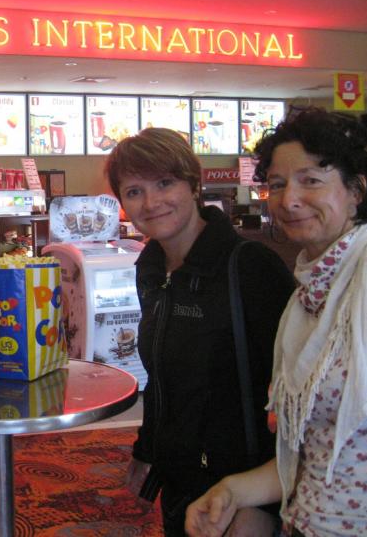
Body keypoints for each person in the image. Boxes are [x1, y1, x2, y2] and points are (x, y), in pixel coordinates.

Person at [185, 107, 367, 537]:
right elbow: (310, 457)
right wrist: (233, 490)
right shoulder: (307, 299)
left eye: (311, 180)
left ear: (356, 190)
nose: (289, 200)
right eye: (277, 185)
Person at [105, 128, 296, 536]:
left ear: (193, 185)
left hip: (244, 487)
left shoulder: (249, 267)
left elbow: (298, 389)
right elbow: (164, 376)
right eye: (134, 191)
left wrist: (266, 502)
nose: (151, 202)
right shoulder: (151, 269)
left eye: (164, 183)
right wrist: (147, 449)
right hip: (181, 478)